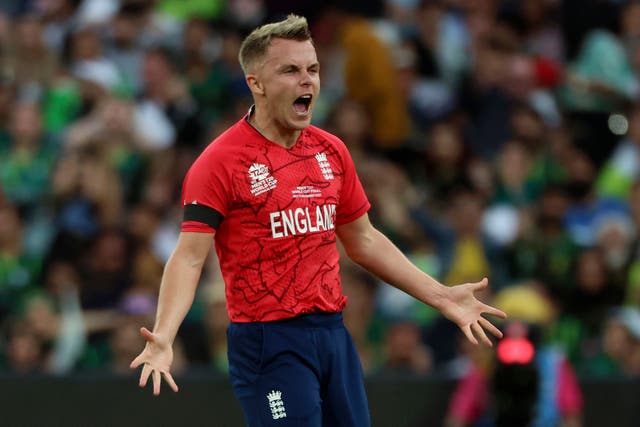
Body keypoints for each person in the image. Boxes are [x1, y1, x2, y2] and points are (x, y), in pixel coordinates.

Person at [130, 14, 506, 426]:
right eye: (290, 70)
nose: (306, 80)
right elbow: (188, 257)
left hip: (332, 336)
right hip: (267, 342)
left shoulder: (331, 151)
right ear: (256, 83)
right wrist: (165, 335)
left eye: (312, 69)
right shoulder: (220, 162)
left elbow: (364, 240)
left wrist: (441, 296)